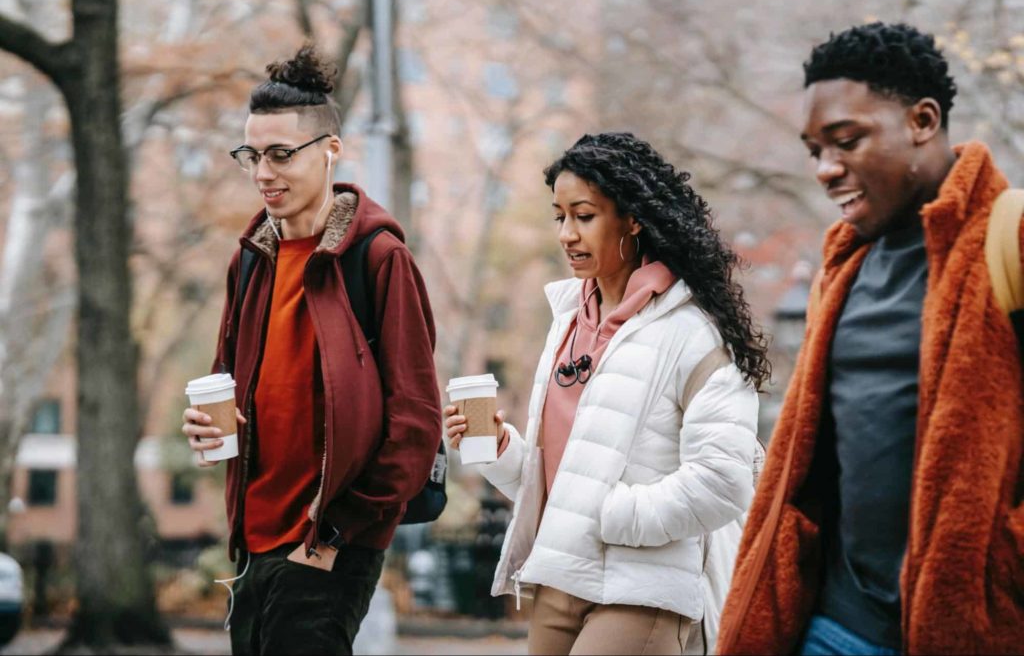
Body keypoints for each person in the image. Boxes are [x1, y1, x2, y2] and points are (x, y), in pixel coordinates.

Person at [717, 22, 1024, 656]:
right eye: (814, 150)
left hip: (973, 629)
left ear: (922, 120)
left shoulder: (1010, 237)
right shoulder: (844, 264)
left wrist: (1003, 567)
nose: (827, 169)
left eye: (847, 140)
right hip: (835, 625)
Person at [444, 132, 769, 655]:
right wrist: (502, 450)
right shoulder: (568, 321)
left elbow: (723, 482)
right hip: (559, 578)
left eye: (584, 215)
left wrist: (612, 515)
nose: (566, 234)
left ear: (633, 218)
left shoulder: (693, 333)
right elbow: (565, 478)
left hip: (640, 589)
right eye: (559, 217)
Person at [180, 45, 442, 655]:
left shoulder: (377, 258)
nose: (262, 173)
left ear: (330, 151)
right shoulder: (251, 260)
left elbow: (416, 421)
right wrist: (206, 423)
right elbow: (230, 377)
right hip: (254, 536)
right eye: (251, 155)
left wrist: (336, 533)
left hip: (330, 539)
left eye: (280, 154)